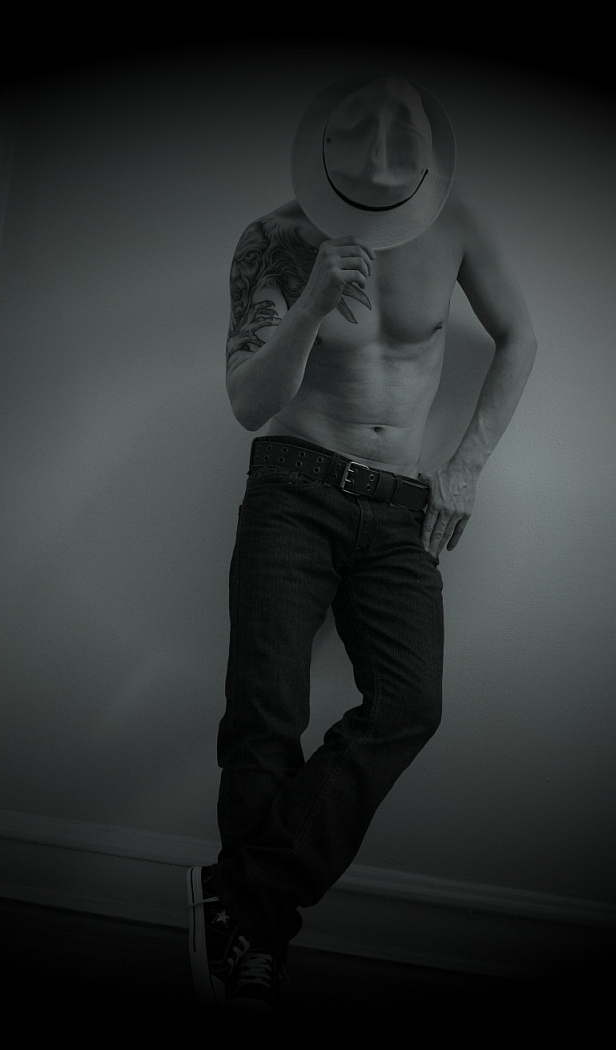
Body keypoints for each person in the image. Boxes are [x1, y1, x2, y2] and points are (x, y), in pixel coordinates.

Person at [187, 73, 536, 1011]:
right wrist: (307, 305)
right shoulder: (273, 238)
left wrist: (466, 464)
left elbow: (519, 337)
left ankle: (242, 905)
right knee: (265, 710)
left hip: (400, 506)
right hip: (293, 486)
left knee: (410, 705)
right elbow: (247, 404)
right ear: (325, 163)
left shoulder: (459, 226)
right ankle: (255, 953)